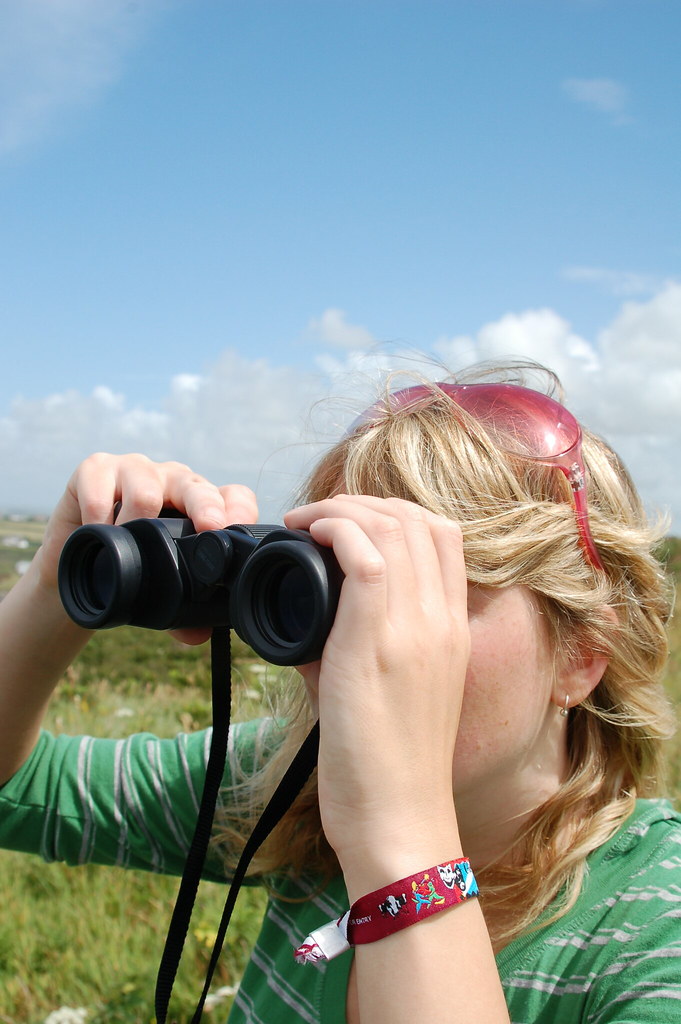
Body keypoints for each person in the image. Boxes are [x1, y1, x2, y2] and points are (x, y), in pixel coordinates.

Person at [0, 361, 679, 1024]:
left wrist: (399, 839)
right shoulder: (290, 786)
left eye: (423, 591)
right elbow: (17, 789)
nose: (355, 638)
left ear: (584, 655)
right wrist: (53, 586)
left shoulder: (652, 930)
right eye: (331, 578)